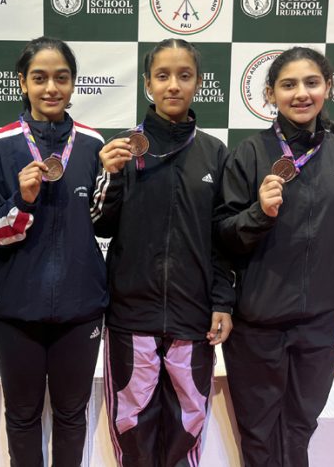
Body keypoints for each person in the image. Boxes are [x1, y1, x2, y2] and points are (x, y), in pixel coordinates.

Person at [216, 47, 334, 467]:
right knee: (257, 431)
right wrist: (258, 213)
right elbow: (222, 238)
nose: (300, 93)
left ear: (328, 89)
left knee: (301, 426)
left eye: (311, 83)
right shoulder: (248, 154)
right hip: (257, 324)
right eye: (288, 85)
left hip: (320, 323)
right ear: (270, 94)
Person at [91, 38, 235, 467]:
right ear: (148, 83)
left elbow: (223, 237)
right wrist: (111, 176)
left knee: (187, 423)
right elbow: (99, 223)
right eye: (163, 75)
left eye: (184, 75)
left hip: (193, 318)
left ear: (198, 83)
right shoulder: (122, 148)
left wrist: (223, 301)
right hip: (132, 316)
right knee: (131, 423)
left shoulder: (214, 152)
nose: (173, 85)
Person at [0, 36, 107, 467]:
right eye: (39, 78)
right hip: (15, 308)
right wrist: (24, 198)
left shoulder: (92, 145)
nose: (51, 88)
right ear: (22, 83)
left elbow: (103, 221)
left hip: (81, 306)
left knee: (72, 415)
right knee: (23, 414)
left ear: (73, 84)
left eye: (61, 78)